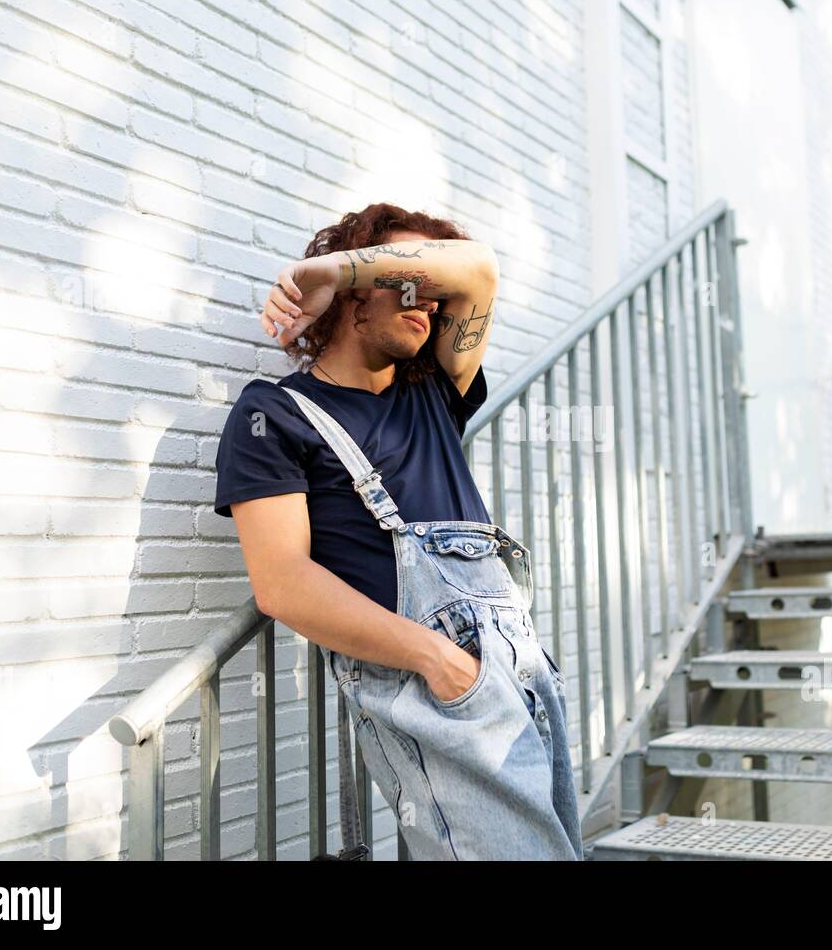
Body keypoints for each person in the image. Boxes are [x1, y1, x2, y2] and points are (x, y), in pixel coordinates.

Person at [213, 202, 582, 861]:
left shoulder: (435, 392)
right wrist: (436, 660)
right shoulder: (273, 415)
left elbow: (479, 270)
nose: (432, 302)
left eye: (433, 289)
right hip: (432, 684)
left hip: (520, 666)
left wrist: (331, 267)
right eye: (411, 280)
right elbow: (282, 583)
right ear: (353, 300)